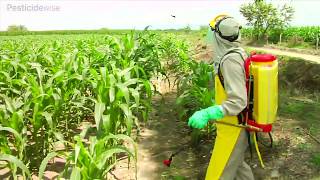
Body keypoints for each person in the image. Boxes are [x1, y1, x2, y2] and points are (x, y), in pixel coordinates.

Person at [188, 15, 255, 180]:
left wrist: (209, 113)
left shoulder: (230, 60)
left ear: (219, 36)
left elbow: (238, 101)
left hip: (234, 128)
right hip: (237, 124)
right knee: (238, 168)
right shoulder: (237, 53)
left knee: (217, 174)